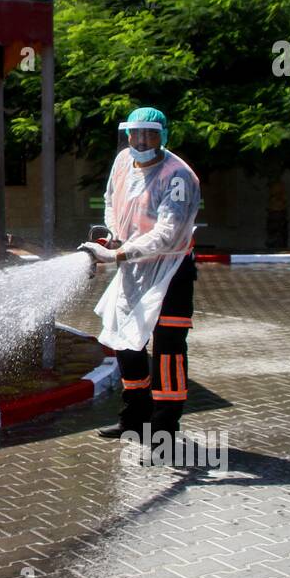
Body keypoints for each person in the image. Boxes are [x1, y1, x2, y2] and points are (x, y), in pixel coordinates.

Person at [80, 107, 200, 441]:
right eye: (135, 133)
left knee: (168, 349)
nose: (141, 140)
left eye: (150, 134)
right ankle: (134, 420)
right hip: (133, 267)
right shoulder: (122, 162)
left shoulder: (178, 175)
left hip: (171, 270)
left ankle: (165, 429)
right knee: (126, 343)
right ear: (127, 135)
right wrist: (115, 234)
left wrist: (116, 253)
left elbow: (167, 233)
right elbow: (110, 199)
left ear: (164, 136)